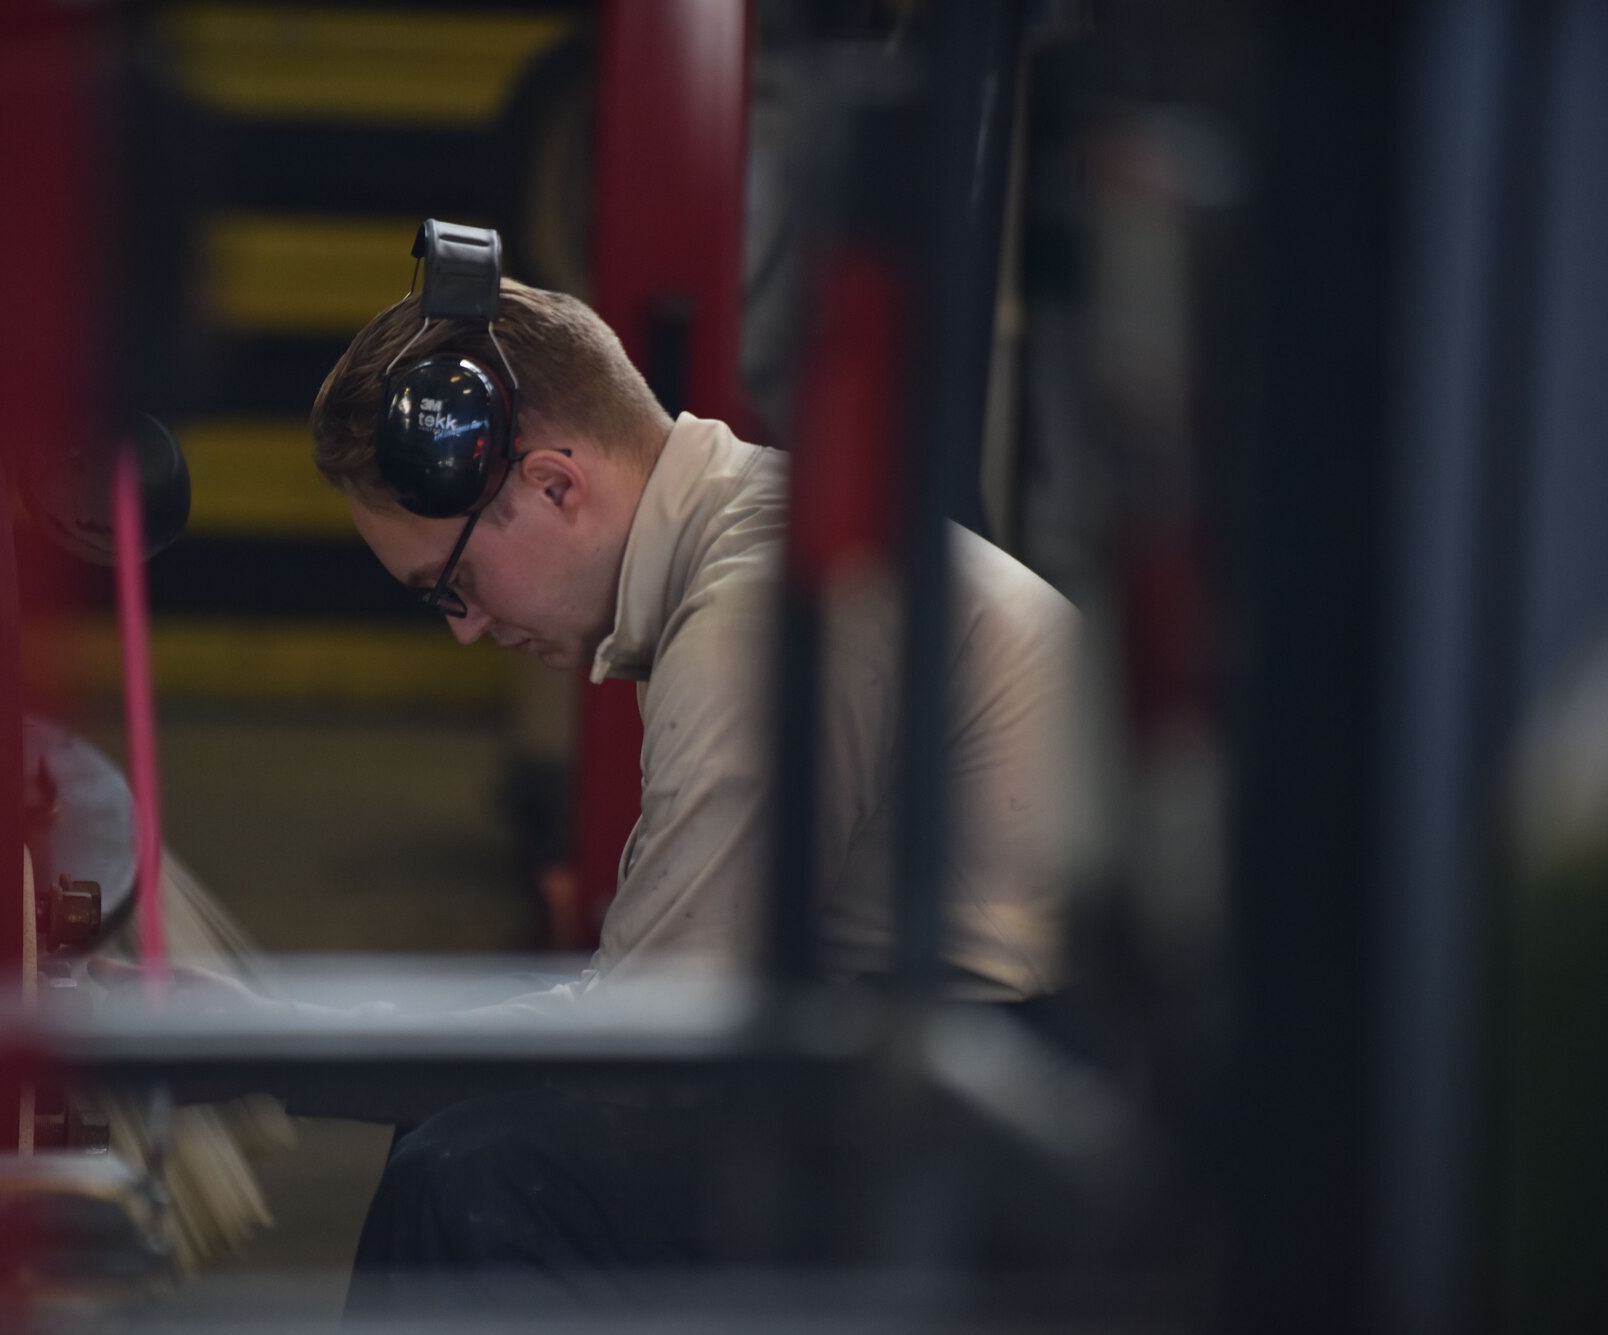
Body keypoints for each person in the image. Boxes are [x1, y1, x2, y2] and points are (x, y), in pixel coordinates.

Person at [297, 279, 1082, 1308]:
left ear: (553, 486)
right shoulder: (749, 530)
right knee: (462, 1132)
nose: (464, 631)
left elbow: (648, 1041)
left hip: (1016, 1111)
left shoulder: (750, 616)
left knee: (469, 1183)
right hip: (947, 1063)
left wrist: (276, 1053)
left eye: (452, 587)